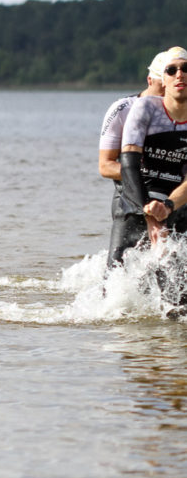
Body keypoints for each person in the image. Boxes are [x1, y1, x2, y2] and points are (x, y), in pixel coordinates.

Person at [120, 46, 187, 314]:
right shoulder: (145, 107)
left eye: (186, 69)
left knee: (179, 288)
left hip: (176, 198)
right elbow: (128, 163)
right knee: (116, 279)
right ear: (164, 79)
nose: (180, 74)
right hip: (139, 195)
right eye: (172, 70)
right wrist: (146, 209)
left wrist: (168, 206)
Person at [99, 49, 169, 266]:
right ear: (150, 80)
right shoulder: (123, 109)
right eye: (160, 86)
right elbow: (105, 165)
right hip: (129, 195)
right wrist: (146, 175)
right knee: (119, 270)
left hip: (172, 196)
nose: (165, 94)